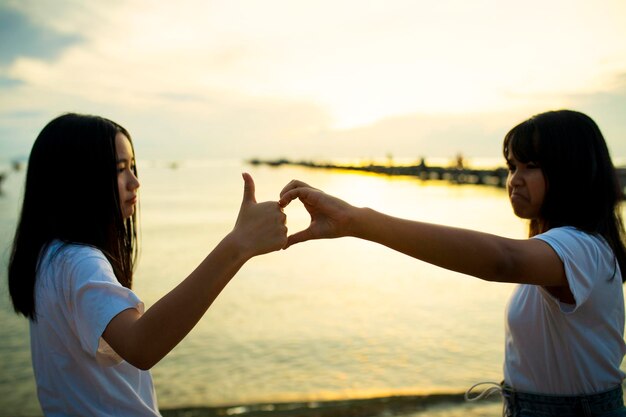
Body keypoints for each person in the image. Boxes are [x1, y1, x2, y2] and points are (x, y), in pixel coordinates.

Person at [278, 110, 626, 417]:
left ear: (573, 172)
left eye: (531, 166)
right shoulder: (569, 249)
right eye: (512, 166)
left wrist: (358, 221)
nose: (514, 179)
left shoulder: (582, 248)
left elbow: (503, 261)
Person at [8, 113, 287, 416]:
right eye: (119, 170)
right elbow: (141, 345)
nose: (135, 182)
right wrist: (238, 245)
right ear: (78, 180)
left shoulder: (50, 256)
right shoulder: (79, 261)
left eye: (132, 167)